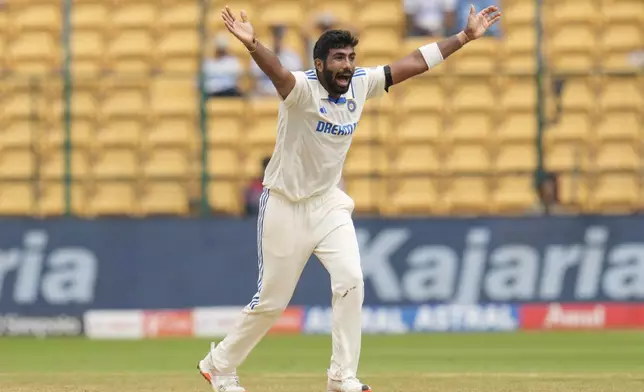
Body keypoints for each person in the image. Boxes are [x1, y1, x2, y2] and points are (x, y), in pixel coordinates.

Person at [197, 4, 501, 392]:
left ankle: (341, 377)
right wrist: (253, 44)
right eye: (339, 58)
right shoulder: (302, 89)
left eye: (352, 57)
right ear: (319, 64)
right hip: (285, 204)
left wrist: (463, 37)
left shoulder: (360, 83)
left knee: (351, 279)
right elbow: (277, 74)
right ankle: (220, 364)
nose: (348, 65)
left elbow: (411, 63)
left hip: (329, 203)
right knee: (273, 301)